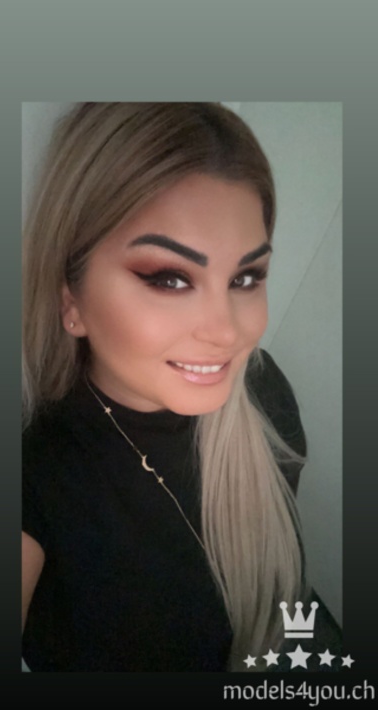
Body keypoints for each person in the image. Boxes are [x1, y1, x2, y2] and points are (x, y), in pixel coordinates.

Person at [22, 102, 341, 672]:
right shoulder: (33, 474)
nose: (227, 332)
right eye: (170, 279)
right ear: (72, 300)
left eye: (246, 277)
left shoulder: (262, 390)